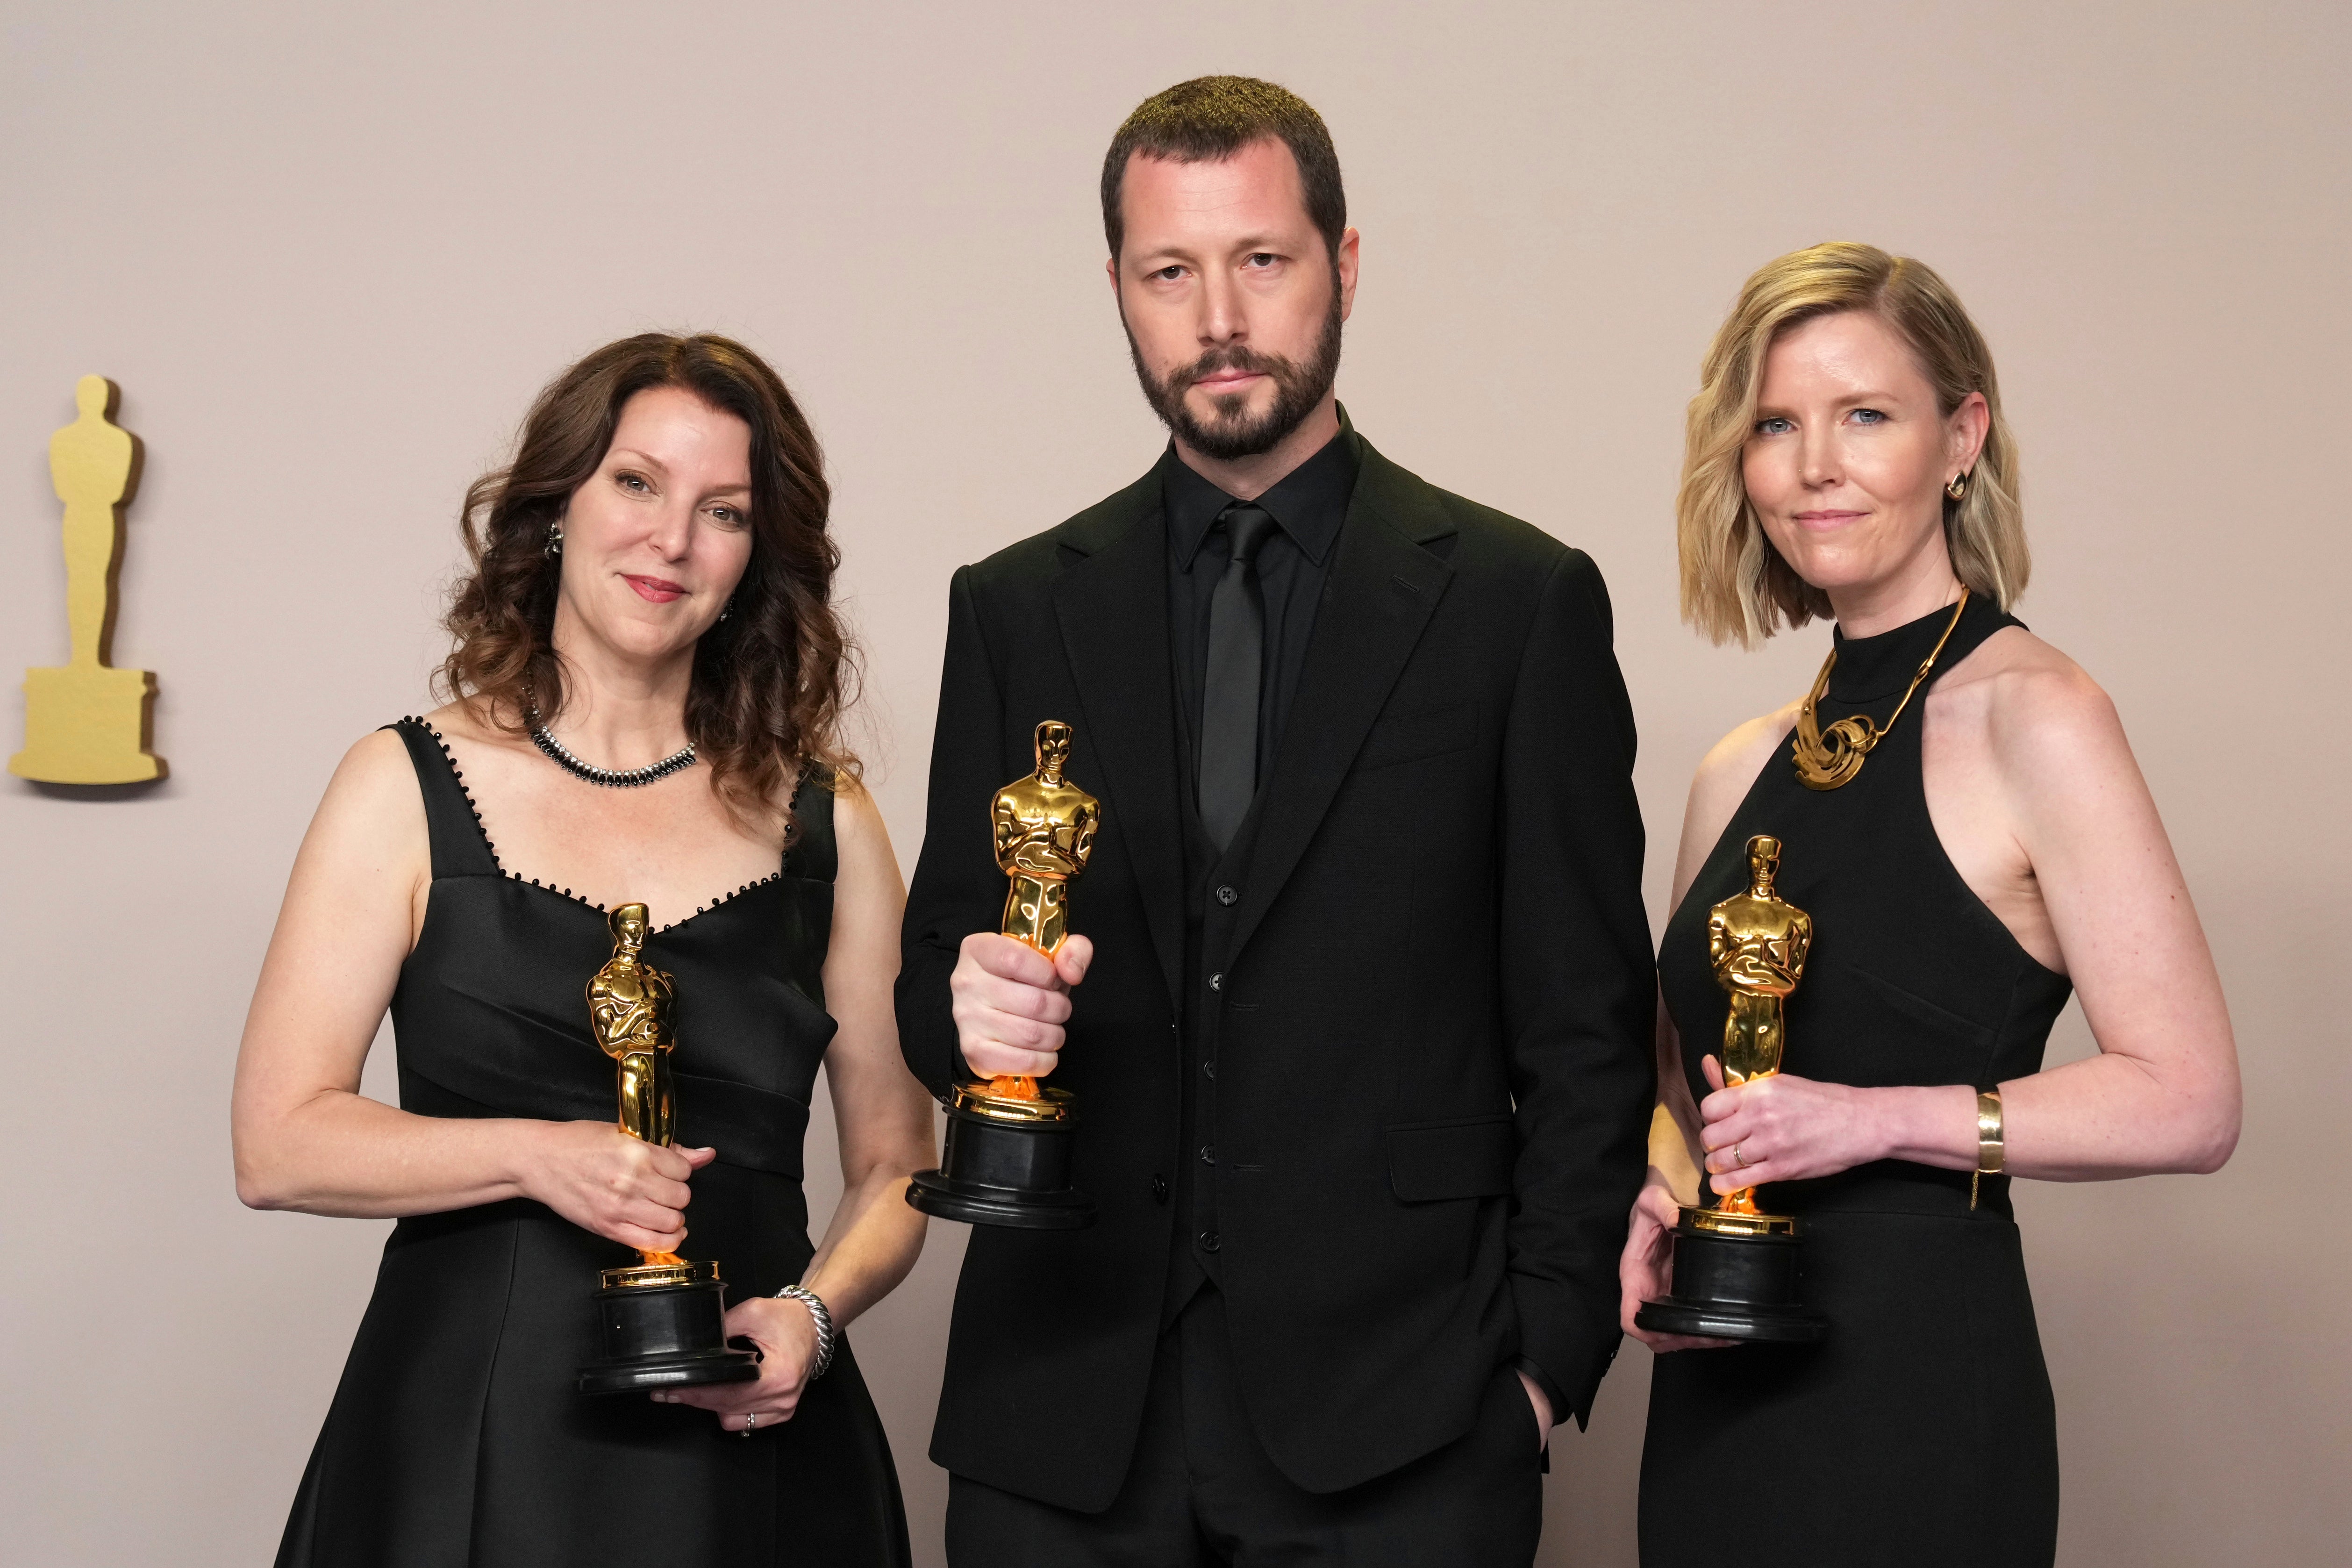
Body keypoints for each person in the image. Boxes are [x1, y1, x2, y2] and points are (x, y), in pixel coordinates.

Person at [897, 77, 1656, 1566]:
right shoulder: (1011, 607)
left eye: (1262, 260)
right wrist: (960, 1007)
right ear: (1116, 289)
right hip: (1059, 1419)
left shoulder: (1516, 604)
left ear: (1345, 266)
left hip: (1410, 1419)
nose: (1218, 316)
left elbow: (1586, 1021)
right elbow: (940, 970)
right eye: (1169, 272)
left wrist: (1542, 1369)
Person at [232, 333, 934, 1567]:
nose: (671, 539)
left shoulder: (834, 822)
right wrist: (541, 1157)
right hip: (465, 1432)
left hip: (753, 1457)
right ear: (558, 503)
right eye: (636, 482)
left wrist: (814, 1321)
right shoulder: (399, 783)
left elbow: (893, 1162)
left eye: (723, 511)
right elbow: (276, 1141)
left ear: (754, 560)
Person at [1620, 243, 2241, 1567]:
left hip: (1917, 1396)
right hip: (1718, 1400)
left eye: (1864, 415)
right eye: (1775, 425)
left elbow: (2189, 1098)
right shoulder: (1734, 767)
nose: (1812, 464)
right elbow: (1688, 1099)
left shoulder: (2041, 716)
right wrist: (1655, 1196)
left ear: (1959, 437)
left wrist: (1865, 1121)